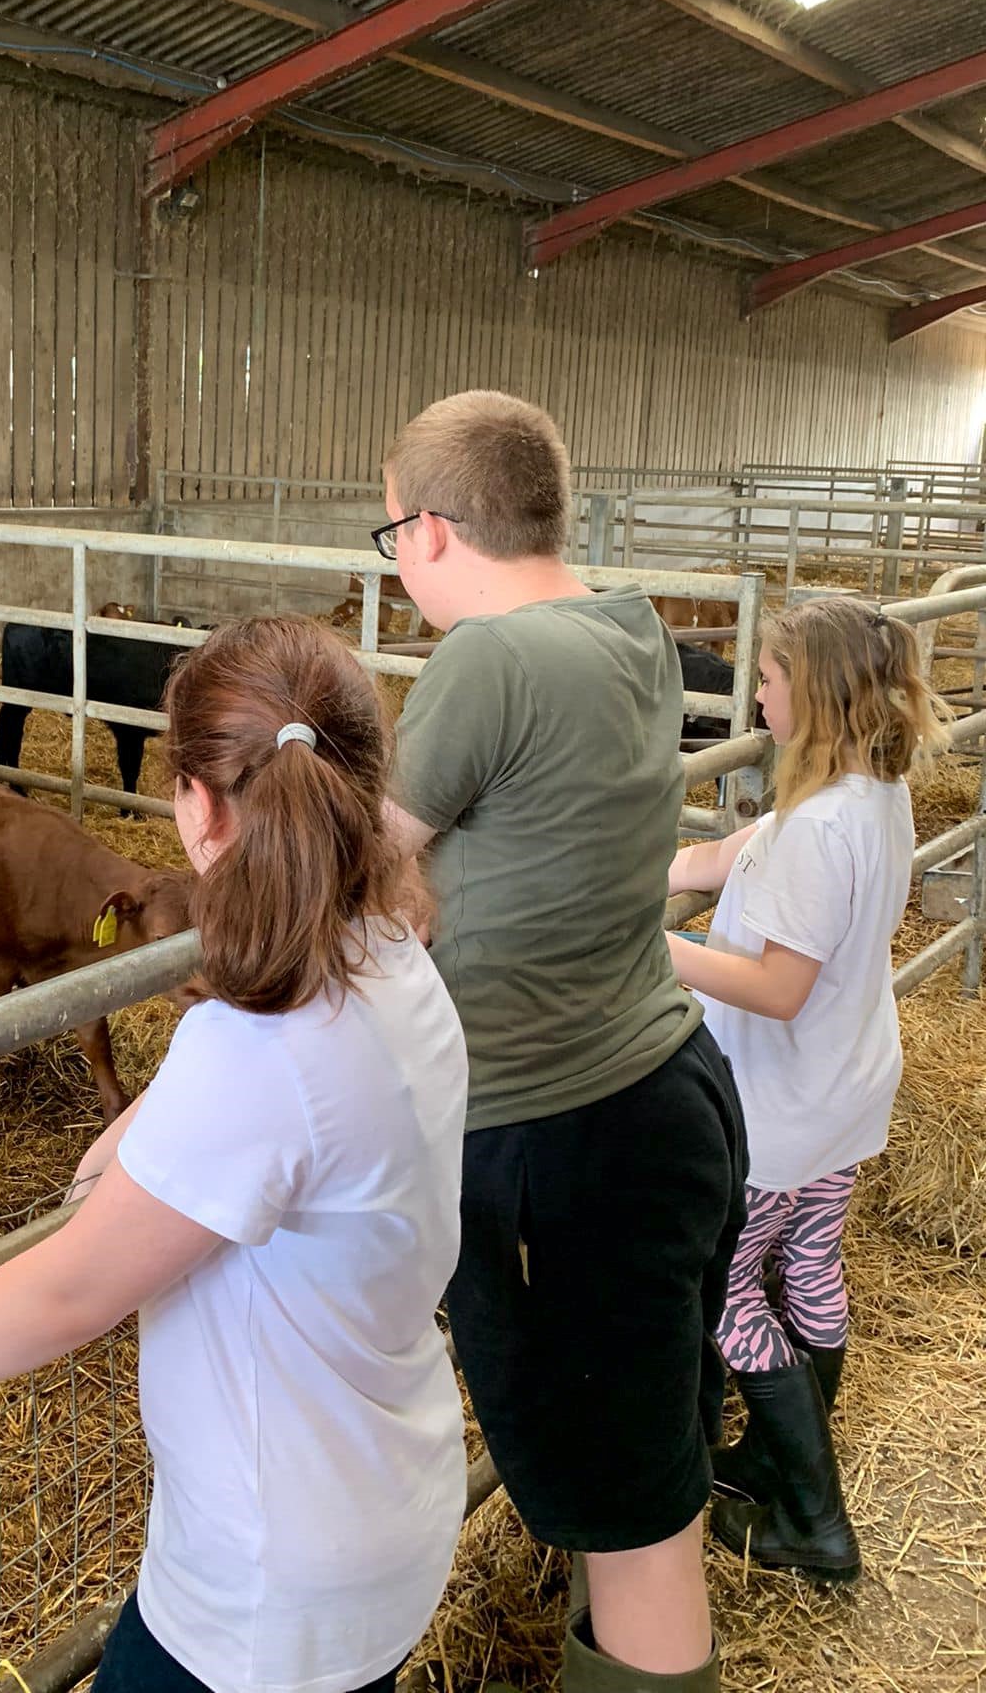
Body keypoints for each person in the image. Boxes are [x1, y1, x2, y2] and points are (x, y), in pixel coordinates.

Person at [0, 615, 470, 1693]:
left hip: (266, 1584)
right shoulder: (387, 952)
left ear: (194, 806)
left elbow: (70, 1289)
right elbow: (231, 1133)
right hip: (374, 1494)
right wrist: (152, 1113)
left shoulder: (261, 1050)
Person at [378, 390, 746, 1693]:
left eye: (390, 540)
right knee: (639, 1477)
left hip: (561, 1140)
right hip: (668, 1089)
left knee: (641, 1537)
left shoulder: (488, 661)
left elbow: (370, 862)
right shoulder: (627, 627)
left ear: (427, 531)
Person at [667, 597, 949, 1585]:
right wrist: (613, 877)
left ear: (814, 695)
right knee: (812, 1267)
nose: (755, 691)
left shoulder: (809, 831)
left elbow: (778, 987)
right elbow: (709, 859)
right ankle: (783, 1459)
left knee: (729, 1289)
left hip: (779, 1103)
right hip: (846, 1084)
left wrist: (653, 947)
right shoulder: (872, 795)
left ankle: (817, 1522)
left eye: (770, 677)